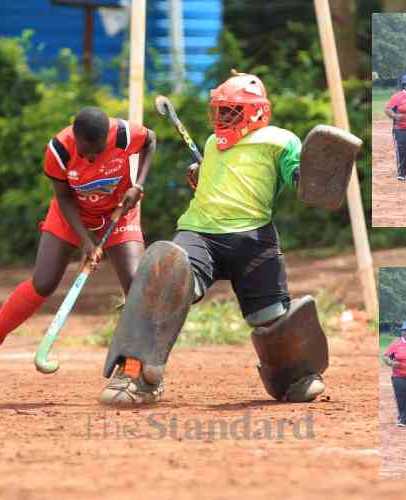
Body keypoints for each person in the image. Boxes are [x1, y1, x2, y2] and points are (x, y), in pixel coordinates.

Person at [93, 71, 359, 406]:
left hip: (253, 236)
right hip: (199, 232)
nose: (222, 117)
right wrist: (203, 177)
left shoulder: (279, 139)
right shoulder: (211, 143)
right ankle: (136, 375)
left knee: (271, 316)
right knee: (164, 279)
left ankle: (296, 376)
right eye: (219, 110)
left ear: (258, 112)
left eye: (231, 110)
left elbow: (300, 179)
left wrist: (316, 175)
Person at [0, 107, 155, 362]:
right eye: (85, 153)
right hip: (71, 214)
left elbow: (150, 141)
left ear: (107, 137)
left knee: (137, 284)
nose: (91, 159)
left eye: (98, 152)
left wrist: (138, 185)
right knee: (44, 282)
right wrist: (86, 241)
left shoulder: (125, 134)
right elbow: (63, 197)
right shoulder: (59, 150)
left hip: (119, 213)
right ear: (75, 137)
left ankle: (134, 365)